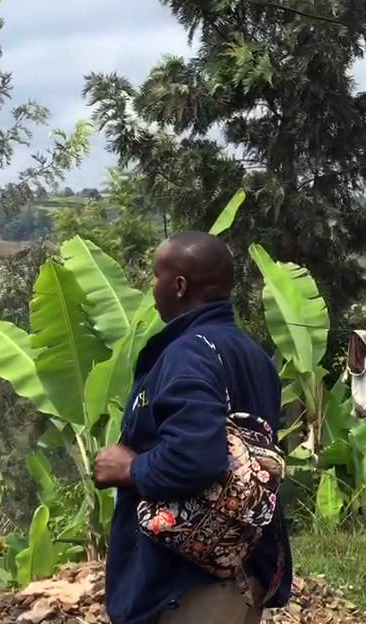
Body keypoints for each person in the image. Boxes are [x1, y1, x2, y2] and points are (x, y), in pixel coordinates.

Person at [94, 232, 292, 624]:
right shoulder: (253, 355)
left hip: (190, 585)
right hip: (243, 567)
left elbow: (196, 457)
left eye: (156, 277)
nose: (153, 288)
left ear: (180, 286)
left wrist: (129, 468)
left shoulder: (188, 353)